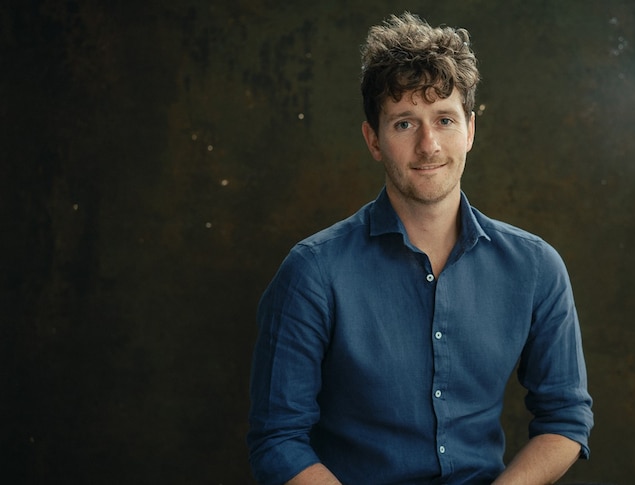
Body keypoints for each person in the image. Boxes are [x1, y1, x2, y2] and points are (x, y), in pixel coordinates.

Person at [247, 12, 593, 485]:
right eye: (405, 124)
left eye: (445, 120)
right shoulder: (312, 271)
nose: (429, 145)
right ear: (374, 140)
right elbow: (278, 440)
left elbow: (566, 418)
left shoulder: (536, 267)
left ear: (470, 130)